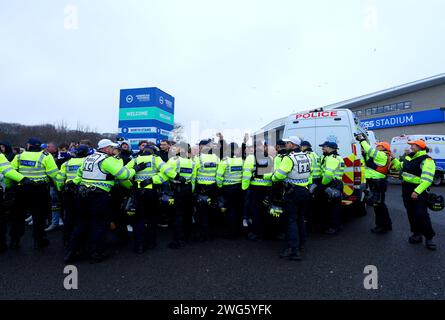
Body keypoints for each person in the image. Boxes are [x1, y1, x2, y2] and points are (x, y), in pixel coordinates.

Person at [65, 139, 137, 263]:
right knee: (99, 225)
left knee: (81, 224)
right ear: (105, 148)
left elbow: (79, 174)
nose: (113, 150)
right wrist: (134, 169)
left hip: (83, 195)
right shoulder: (107, 159)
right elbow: (124, 174)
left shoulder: (89, 158)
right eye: (111, 147)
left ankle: (73, 252)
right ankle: (97, 253)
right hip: (98, 197)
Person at [125, 144, 176, 253]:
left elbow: (124, 173)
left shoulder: (135, 160)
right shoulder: (156, 159)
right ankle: (151, 242)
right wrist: (156, 179)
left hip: (138, 192)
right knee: (152, 218)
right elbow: (168, 171)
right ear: (153, 151)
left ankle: (139, 245)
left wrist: (131, 184)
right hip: (152, 192)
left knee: (139, 219)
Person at [10, 138, 59, 249]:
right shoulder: (46, 156)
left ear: (28, 145)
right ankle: (39, 240)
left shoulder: (19, 156)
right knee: (39, 216)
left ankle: (14, 240)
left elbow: (10, 171)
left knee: (18, 216)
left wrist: (10, 185)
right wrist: (59, 187)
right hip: (40, 190)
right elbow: (54, 174)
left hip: (22, 189)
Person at [391, 139, 437, 250]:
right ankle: (416, 234)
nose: (411, 147)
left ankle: (429, 237)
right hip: (406, 188)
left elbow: (427, 180)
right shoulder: (409, 157)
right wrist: (393, 159)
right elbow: (400, 167)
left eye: (413, 145)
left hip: (418, 190)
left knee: (421, 214)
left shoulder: (427, 160)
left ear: (419, 147)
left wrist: (417, 191)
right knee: (411, 213)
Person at [272, 136, 311, 261]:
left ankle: (293, 249)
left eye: (287, 142)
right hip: (304, 190)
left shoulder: (289, 158)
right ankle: (301, 243)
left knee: (291, 220)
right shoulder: (307, 156)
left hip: (292, 192)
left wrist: (273, 177)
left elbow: (279, 175)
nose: (285, 144)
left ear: (292, 144)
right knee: (300, 217)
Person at [356, 134, 393, 234]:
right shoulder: (382, 156)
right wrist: (364, 154)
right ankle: (387, 224)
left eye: (378, 145)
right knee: (380, 205)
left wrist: (362, 140)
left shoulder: (381, 155)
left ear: (383, 148)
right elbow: (370, 159)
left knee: (378, 205)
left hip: (377, 183)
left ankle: (381, 226)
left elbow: (370, 151)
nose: (376, 146)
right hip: (377, 182)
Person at [55, 144, 89, 247]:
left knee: (69, 217)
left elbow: (60, 178)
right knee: (82, 218)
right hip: (82, 192)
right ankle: (81, 242)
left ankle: (66, 240)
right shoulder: (87, 162)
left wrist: (60, 189)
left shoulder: (67, 163)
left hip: (68, 192)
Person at [0, 153, 34, 253]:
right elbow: (8, 171)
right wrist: (22, 179)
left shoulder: (17, 157)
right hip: (23, 188)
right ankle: (9, 242)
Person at [242, 141, 274, 240]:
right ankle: (265, 233)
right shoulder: (270, 158)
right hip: (267, 188)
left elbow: (246, 174)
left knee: (255, 211)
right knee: (265, 210)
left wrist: (244, 188)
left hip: (255, 188)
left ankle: (255, 233)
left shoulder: (251, 157)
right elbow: (273, 173)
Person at [166, 142, 195, 248]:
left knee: (178, 215)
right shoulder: (191, 162)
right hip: (188, 189)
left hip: (177, 189)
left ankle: (178, 239)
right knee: (187, 214)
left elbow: (165, 170)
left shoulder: (173, 160)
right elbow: (193, 178)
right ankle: (187, 236)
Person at [192, 139, 220, 241]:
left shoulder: (197, 159)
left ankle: (201, 234)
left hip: (201, 187)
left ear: (201, 147)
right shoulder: (216, 158)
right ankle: (210, 233)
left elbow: (193, 176)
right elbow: (219, 173)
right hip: (213, 187)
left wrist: (193, 190)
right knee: (211, 210)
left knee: (200, 211)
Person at [216, 142, 244, 239]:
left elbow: (218, 177)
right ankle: (239, 231)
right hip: (239, 188)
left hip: (228, 189)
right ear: (236, 150)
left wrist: (220, 187)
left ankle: (231, 233)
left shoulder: (224, 161)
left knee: (230, 210)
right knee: (239, 209)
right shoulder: (241, 161)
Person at [318, 141, 345, 235]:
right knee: (336, 207)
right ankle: (337, 225)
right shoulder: (337, 157)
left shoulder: (331, 158)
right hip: (337, 184)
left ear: (329, 148)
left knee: (331, 207)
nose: (322, 149)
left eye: (324, 147)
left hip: (331, 184)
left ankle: (333, 227)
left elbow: (328, 174)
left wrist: (322, 184)